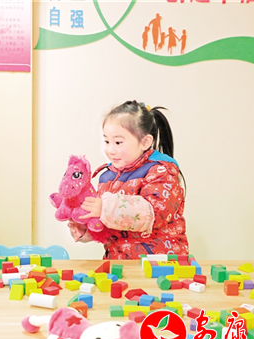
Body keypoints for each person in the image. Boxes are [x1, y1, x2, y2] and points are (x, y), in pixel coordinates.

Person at [69, 100, 188, 259]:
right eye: (107, 141)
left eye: (118, 142)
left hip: (159, 262)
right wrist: (88, 227)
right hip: (119, 261)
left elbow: (155, 213)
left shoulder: (161, 171)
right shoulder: (107, 177)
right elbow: (111, 224)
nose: (110, 150)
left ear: (145, 142)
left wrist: (105, 208)